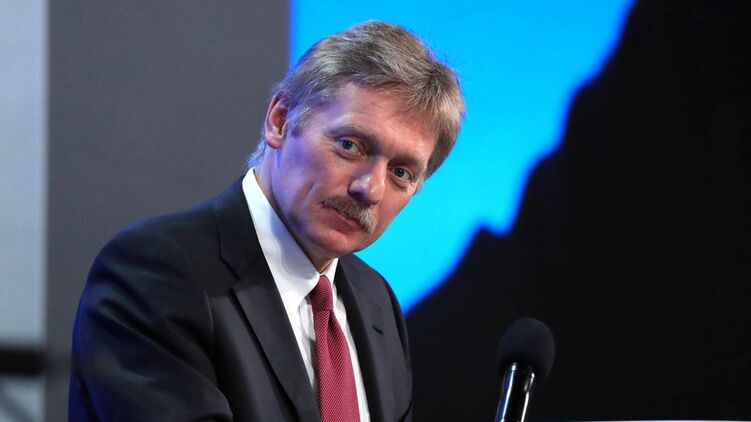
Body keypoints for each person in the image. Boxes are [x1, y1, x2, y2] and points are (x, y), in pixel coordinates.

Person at [69, 20, 464, 422]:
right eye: (351, 146)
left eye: (401, 172)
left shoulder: (377, 302)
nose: (371, 189)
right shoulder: (157, 274)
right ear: (280, 120)